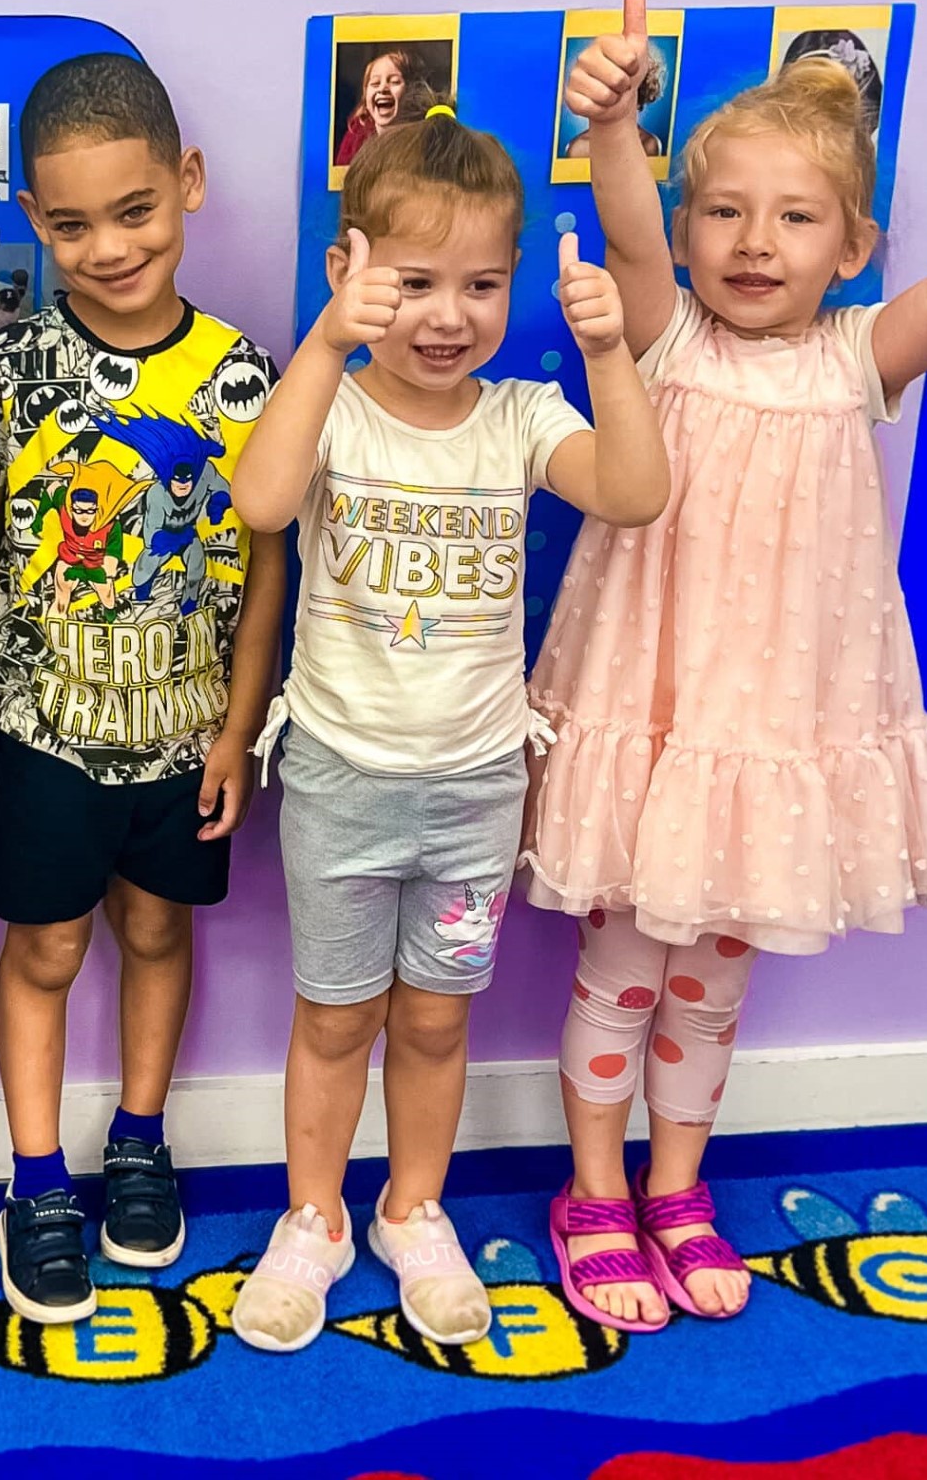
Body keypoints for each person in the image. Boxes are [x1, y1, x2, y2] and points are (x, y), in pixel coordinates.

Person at [532, 0, 927, 1333]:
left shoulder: (855, 361)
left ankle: (678, 1186)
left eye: (797, 217)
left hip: (773, 735)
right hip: (652, 713)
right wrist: (619, 127)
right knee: (623, 965)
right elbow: (633, 231)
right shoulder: (670, 336)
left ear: (852, 244)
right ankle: (593, 1189)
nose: (756, 243)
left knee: (713, 979)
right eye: (728, 212)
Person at [225, 96, 669, 1354]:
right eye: (413, 280)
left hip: (475, 788)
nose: (446, 314)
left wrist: (608, 356)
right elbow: (261, 502)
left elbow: (634, 492)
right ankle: (311, 1217)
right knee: (333, 1018)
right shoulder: (335, 410)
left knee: (432, 1017)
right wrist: (320, 347)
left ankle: (411, 1210)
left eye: (480, 284)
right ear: (346, 268)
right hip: (337, 780)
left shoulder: (522, 417)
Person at [0, 53, 284, 1323]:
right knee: (45, 945)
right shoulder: (7, 367)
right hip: (47, 728)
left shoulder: (243, 379)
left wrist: (238, 727)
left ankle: (138, 1138)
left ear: (185, 185)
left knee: (155, 930)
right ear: (34, 218)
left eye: (134, 211)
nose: (106, 247)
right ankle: (34, 1181)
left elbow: (264, 565)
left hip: (187, 730)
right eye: (71, 222)